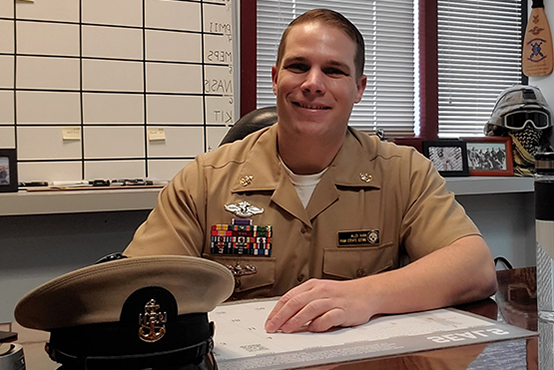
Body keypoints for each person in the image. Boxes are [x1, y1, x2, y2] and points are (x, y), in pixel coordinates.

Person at [124, 9, 497, 334]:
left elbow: (475, 268)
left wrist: (364, 295)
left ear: (359, 88)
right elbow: (135, 286)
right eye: (298, 66)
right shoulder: (204, 179)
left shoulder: (404, 172)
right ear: (275, 78)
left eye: (333, 70)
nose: (312, 84)